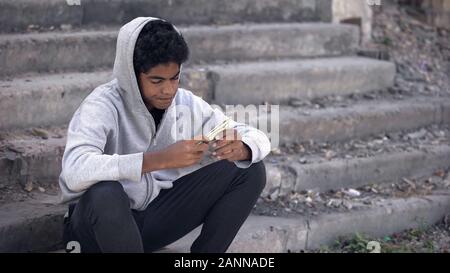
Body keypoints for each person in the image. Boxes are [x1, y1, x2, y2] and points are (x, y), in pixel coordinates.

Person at [59, 17, 271, 253]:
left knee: (249, 168)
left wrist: (242, 146)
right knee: (105, 192)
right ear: (132, 74)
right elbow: (74, 171)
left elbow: (253, 134)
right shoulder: (102, 104)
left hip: (153, 221)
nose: (168, 90)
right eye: (156, 80)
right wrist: (159, 160)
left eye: (175, 77)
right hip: (97, 228)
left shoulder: (184, 103)